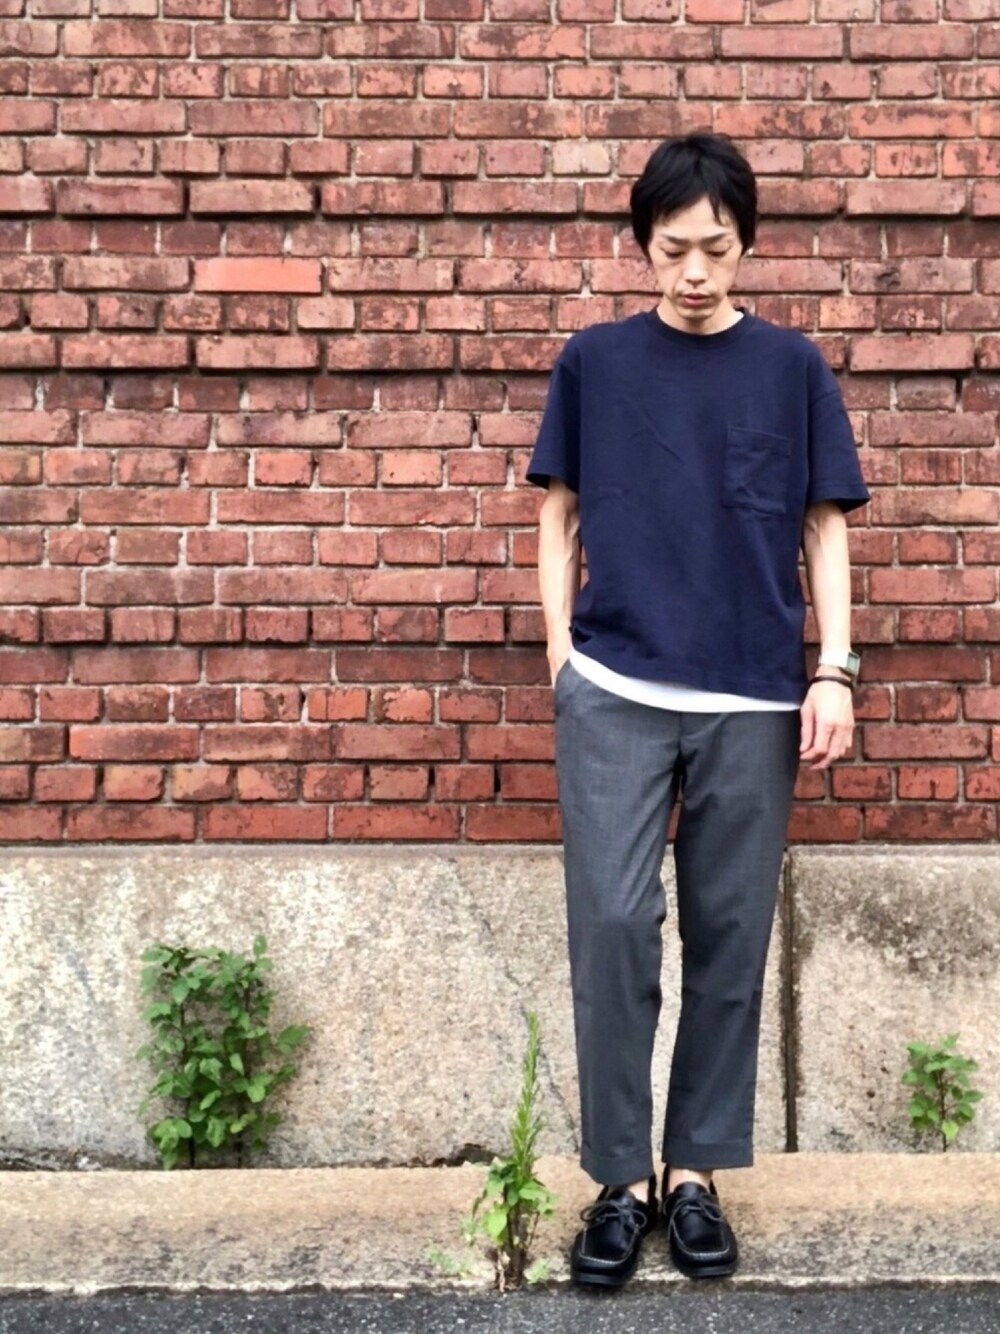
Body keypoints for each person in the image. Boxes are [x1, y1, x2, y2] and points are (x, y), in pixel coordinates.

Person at [526, 132, 870, 1287]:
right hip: (615, 689)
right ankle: (620, 1178)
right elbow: (558, 511)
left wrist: (834, 668)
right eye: (672, 248)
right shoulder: (595, 362)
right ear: (642, 245)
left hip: (752, 696)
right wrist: (562, 658)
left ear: (744, 246)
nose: (692, 271)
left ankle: (693, 1174)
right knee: (614, 923)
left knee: (729, 935)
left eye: (714, 249)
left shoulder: (790, 368)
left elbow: (823, 523)